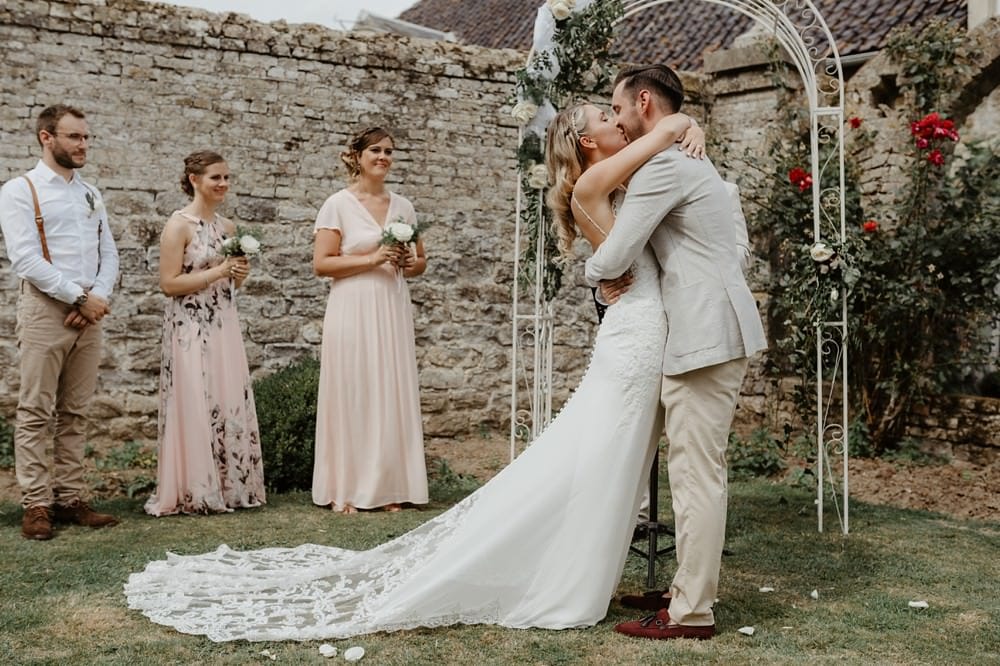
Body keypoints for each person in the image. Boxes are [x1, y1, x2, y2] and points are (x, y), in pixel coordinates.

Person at [124, 109, 702, 641]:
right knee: (600, 454)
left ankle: (576, 562)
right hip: (623, 331)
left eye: (390, 151)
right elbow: (619, 241)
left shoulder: (412, 204)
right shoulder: (598, 181)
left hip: (629, 328)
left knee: (606, 455)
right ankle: (559, 569)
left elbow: (620, 235)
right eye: (606, 115)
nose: (618, 119)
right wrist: (677, 122)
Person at [585, 64, 767, 641]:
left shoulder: (663, 165)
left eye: (617, 110)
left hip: (704, 334)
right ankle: (688, 590)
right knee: (694, 471)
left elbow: (615, 257)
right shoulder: (690, 156)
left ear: (643, 103)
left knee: (696, 476)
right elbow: (733, 245)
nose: (615, 120)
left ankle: (691, 612)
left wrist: (594, 276)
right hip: (711, 326)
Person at [0, 104, 120, 540]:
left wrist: (99, 297)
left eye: (86, 137)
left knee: (75, 410)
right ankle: (35, 503)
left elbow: (109, 250)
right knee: (35, 410)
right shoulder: (20, 190)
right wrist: (79, 297)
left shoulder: (90, 192)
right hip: (46, 308)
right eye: (74, 137)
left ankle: (70, 498)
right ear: (46, 138)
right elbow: (25, 258)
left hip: (90, 311)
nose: (83, 144)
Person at [311, 127, 429, 514]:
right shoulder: (337, 205)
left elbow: (419, 261)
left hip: (392, 307)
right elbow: (322, 264)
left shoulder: (405, 206)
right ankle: (346, 488)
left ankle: (388, 487)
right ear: (357, 156)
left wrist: (412, 263)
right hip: (352, 306)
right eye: (375, 150)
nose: (383, 157)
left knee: (388, 390)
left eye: (389, 151)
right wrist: (372, 259)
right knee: (355, 390)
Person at [143, 150, 265, 516]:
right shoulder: (177, 225)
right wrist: (218, 271)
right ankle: (195, 487)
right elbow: (168, 283)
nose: (223, 184)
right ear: (194, 180)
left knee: (225, 397)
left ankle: (230, 486)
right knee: (196, 399)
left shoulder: (227, 229)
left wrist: (238, 276)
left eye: (227, 177)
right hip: (189, 325)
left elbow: (231, 280)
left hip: (223, 322)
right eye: (216, 177)